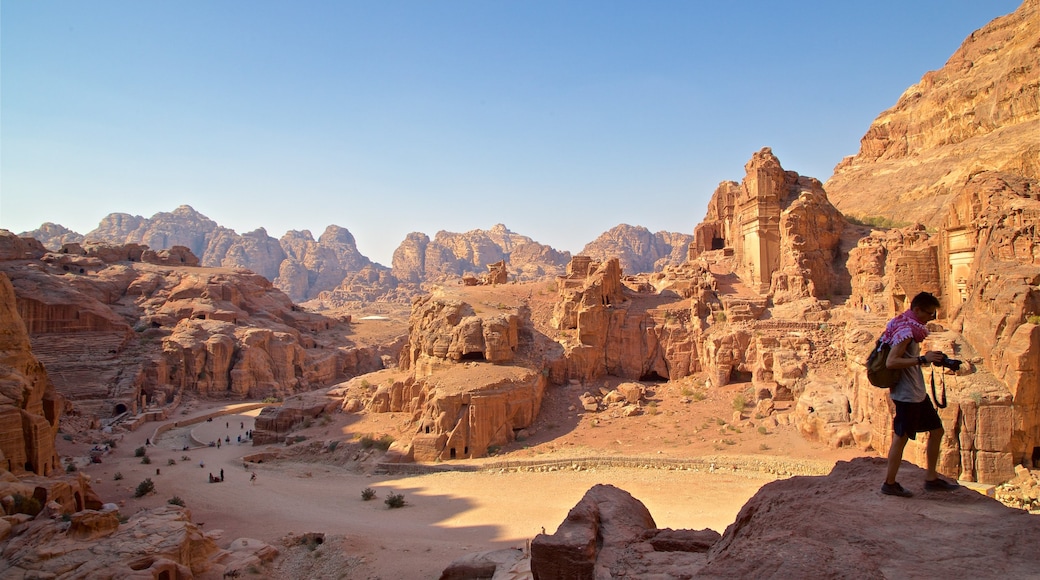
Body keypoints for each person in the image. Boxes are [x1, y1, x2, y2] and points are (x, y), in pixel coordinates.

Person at [880, 291, 960, 497]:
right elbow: (891, 362)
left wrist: (930, 359)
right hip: (907, 395)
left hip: (916, 393)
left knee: (937, 430)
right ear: (917, 310)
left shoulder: (907, 326)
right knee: (901, 438)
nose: (930, 318)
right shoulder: (906, 331)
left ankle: (931, 479)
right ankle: (889, 484)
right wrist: (923, 360)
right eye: (929, 313)